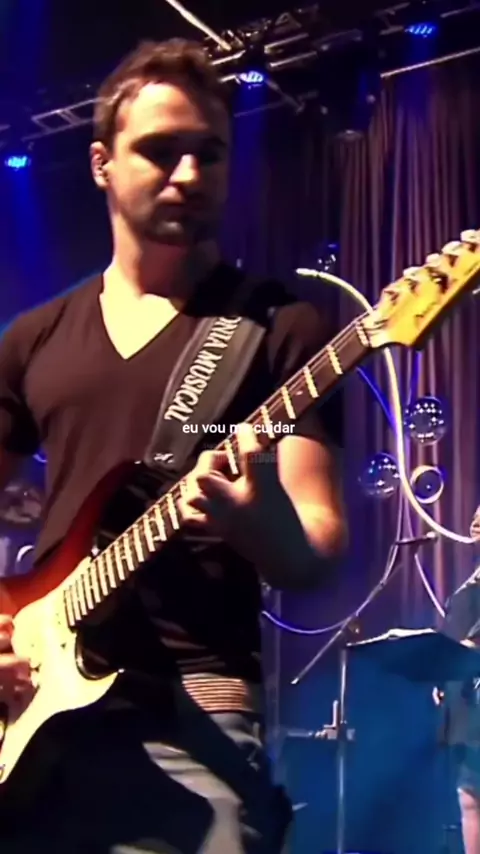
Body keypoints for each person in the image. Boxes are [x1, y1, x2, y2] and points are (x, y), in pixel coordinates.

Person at [0, 38, 347, 852]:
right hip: (32, 714)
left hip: (196, 711)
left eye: (210, 153)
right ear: (101, 163)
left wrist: (256, 520)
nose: (188, 174)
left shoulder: (280, 328)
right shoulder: (31, 338)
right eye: (160, 151)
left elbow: (318, 550)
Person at [433, 559, 480, 854]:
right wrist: (442, 676)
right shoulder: (470, 582)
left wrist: (467, 647)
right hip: (465, 700)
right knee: (469, 793)